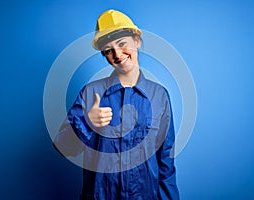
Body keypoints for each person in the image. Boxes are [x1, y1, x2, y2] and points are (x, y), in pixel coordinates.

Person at [54, 9, 180, 200]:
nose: (117, 54)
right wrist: (87, 123)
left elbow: (166, 163)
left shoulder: (159, 96)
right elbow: (63, 147)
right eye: (108, 50)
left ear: (136, 41)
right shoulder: (91, 93)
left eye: (122, 44)